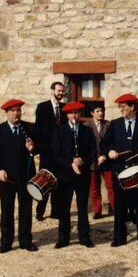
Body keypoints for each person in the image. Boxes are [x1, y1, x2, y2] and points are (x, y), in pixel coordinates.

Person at [100, 93, 138, 249]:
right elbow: (104, 144)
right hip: (119, 170)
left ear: (132, 107)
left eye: (124, 106)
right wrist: (109, 152)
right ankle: (119, 238)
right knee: (119, 207)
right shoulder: (115, 124)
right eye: (120, 107)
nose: (121, 109)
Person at [0, 99, 39, 253]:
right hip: (7, 178)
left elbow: (38, 149)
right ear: (7, 113)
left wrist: (32, 148)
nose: (16, 114)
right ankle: (6, 242)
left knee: (26, 210)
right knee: (7, 211)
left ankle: (25, 240)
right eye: (13, 111)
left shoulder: (29, 128)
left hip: (26, 177)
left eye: (18, 110)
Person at [52, 101, 96, 248]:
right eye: (71, 113)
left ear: (80, 114)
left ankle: (84, 237)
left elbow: (93, 153)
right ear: (67, 115)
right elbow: (56, 155)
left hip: (82, 175)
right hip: (65, 175)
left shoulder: (87, 131)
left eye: (77, 113)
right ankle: (63, 239)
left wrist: (83, 161)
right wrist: (70, 163)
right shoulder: (59, 131)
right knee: (64, 208)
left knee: (83, 208)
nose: (74, 116)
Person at [33, 81, 66, 221]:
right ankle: (40, 212)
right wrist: (37, 150)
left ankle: (55, 212)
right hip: (47, 152)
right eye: (59, 91)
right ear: (52, 91)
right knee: (45, 181)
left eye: (62, 91)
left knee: (58, 183)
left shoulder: (64, 108)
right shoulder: (42, 107)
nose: (61, 93)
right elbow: (38, 130)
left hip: (60, 153)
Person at [86, 104, 115, 219]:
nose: (100, 113)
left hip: (106, 160)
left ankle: (116, 209)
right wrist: (95, 158)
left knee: (111, 186)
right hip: (93, 161)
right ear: (92, 113)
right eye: (97, 111)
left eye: (102, 111)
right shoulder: (86, 125)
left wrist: (105, 156)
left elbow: (112, 142)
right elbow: (86, 146)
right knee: (95, 187)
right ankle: (97, 211)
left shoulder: (108, 124)